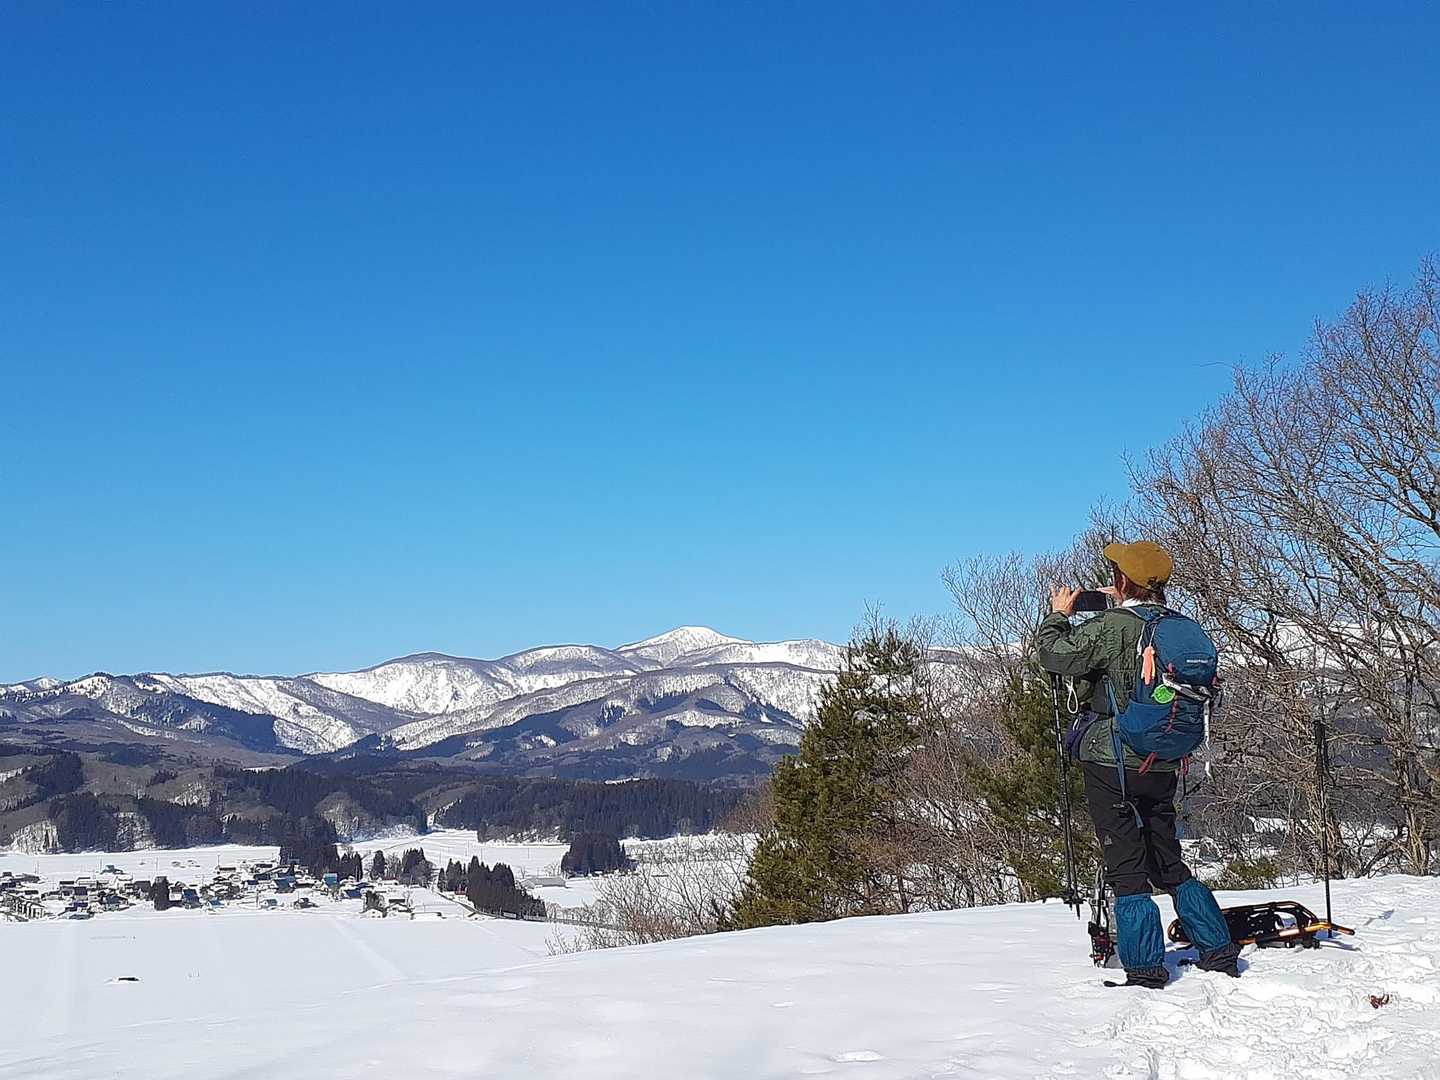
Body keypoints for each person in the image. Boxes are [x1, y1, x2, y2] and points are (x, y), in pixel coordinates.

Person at [1036, 539, 1240, 988]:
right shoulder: (1180, 626)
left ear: (1121, 580)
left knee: (1126, 865)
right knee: (1168, 859)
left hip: (1112, 761)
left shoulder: (1113, 626)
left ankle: (1146, 967)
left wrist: (1059, 614)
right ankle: (1218, 949)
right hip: (1163, 760)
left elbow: (1054, 654)